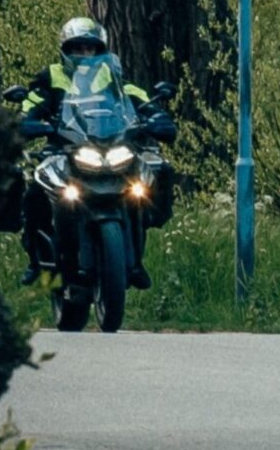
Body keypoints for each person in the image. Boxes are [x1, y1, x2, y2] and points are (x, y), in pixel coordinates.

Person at [14, 16, 176, 287]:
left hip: (111, 147)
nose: (84, 54)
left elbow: (140, 99)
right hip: (63, 149)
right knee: (34, 192)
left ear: (100, 50)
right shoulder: (50, 77)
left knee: (147, 181)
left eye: (90, 49)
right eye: (78, 48)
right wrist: (28, 121)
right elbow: (32, 102)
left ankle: (135, 259)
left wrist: (156, 117)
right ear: (66, 49)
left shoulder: (114, 79)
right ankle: (36, 262)